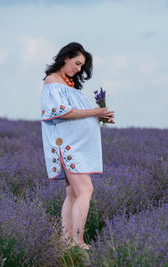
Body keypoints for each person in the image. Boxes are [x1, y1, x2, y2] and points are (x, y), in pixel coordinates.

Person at [41, 42, 114, 250]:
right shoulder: (53, 82)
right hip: (68, 146)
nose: (79, 69)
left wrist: (100, 117)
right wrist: (94, 113)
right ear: (66, 58)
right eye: (77, 63)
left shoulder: (68, 86)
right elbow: (62, 113)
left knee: (73, 192)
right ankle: (77, 242)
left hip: (77, 145)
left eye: (82, 66)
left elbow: (77, 115)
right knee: (85, 190)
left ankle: (66, 242)